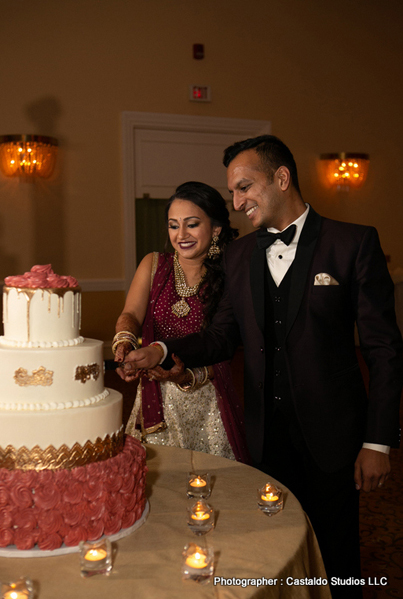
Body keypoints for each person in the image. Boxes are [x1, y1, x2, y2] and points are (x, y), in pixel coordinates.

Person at [123, 135, 403, 598]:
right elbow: (222, 336)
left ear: (281, 178)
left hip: (334, 435)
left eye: (244, 187)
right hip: (265, 436)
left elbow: (385, 350)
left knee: (337, 552)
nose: (236, 202)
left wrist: (378, 442)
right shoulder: (238, 255)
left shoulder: (351, 243)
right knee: (274, 543)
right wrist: (163, 351)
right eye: (232, 192)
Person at [113, 181, 249, 463]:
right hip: (155, 398)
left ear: (216, 228)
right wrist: (124, 343)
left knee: (210, 490)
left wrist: (185, 376)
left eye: (192, 224)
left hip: (209, 403)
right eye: (174, 225)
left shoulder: (231, 274)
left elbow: (222, 345)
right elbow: (131, 315)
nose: (181, 235)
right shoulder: (153, 264)